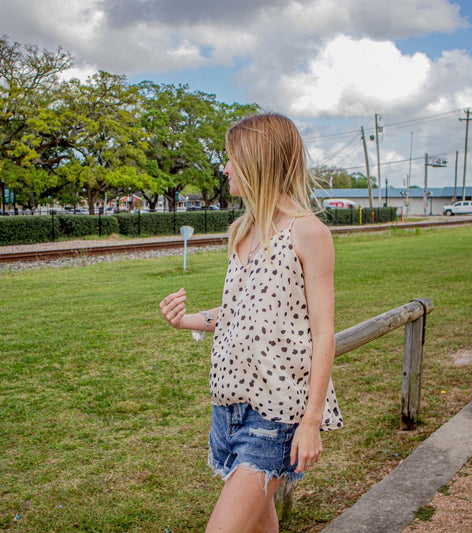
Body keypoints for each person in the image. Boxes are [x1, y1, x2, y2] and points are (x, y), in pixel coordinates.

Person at [160, 113, 342, 533]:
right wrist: (186, 319)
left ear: (259, 162)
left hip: (275, 417)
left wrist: (311, 421)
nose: (224, 169)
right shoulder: (243, 230)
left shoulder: (308, 232)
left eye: (231, 159)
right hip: (228, 409)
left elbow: (323, 332)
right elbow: (241, 312)